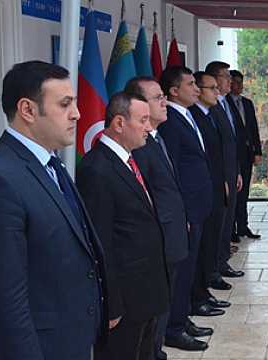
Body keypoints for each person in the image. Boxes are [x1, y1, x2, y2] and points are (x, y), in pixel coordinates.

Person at [0, 61, 105, 360]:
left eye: (76, 103)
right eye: (65, 104)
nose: (77, 114)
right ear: (28, 110)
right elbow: (5, 298)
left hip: (74, 337)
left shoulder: (51, 163)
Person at [125, 76, 214, 360]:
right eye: (157, 98)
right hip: (161, 233)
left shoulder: (156, 137)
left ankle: (167, 335)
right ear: (138, 105)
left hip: (175, 226)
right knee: (159, 302)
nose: (164, 102)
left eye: (164, 96)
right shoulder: (139, 146)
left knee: (174, 289)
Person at [76, 92, 169, 360]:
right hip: (125, 302)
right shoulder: (97, 169)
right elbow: (100, 242)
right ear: (118, 123)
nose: (149, 128)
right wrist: (111, 305)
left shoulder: (128, 158)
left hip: (146, 293)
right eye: (142, 120)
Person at [157, 66, 214, 351]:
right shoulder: (170, 123)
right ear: (174, 91)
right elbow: (174, 170)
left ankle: (183, 315)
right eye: (191, 84)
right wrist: (184, 213)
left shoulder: (187, 115)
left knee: (190, 267)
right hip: (187, 209)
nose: (196, 89)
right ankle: (174, 328)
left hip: (198, 205)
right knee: (181, 270)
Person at [189, 71, 239, 307]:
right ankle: (201, 289)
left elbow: (226, 146)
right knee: (204, 242)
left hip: (218, 182)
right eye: (212, 88)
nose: (217, 92)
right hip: (204, 189)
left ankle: (207, 282)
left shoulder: (208, 113)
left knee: (214, 234)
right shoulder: (196, 116)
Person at [204, 61, 246, 280]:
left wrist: (236, 170)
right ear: (214, 79)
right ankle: (213, 269)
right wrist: (223, 178)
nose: (230, 81)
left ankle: (222, 262)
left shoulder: (225, 103)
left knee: (227, 221)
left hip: (231, 171)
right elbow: (214, 148)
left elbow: (232, 142)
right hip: (220, 176)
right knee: (218, 223)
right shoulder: (208, 109)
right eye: (225, 76)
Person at [227, 69, 262, 240]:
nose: (239, 86)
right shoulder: (224, 102)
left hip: (247, 153)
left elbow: (253, 128)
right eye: (235, 82)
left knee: (245, 191)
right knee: (234, 192)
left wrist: (257, 150)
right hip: (233, 154)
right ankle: (231, 228)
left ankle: (243, 225)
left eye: (241, 82)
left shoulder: (247, 103)